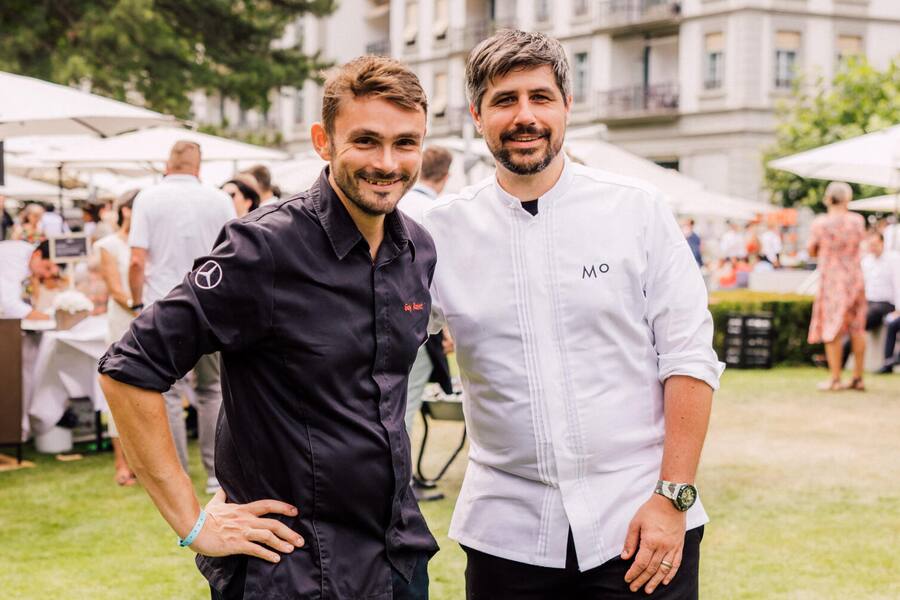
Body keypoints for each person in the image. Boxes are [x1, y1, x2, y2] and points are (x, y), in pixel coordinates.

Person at [98, 56, 438, 600]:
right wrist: (192, 522)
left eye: (405, 143)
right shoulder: (264, 247)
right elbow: (128, 369)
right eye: (366, 140)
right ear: (322, 141)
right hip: (294, 569)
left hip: (397, 558)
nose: (387, 162)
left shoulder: (416, 247)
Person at [422, 30, 722, 598]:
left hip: (638, 521)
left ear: (567, 106)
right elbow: (380, 346)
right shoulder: (440, 234)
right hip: (506, 532)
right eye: (504, 100)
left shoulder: (636, 210)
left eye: (540, 97)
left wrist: (673, 496)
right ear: (476, 116)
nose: (524, 116)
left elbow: (688, 360)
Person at [127, 140, 236, 494]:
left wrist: (134, 301)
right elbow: (234, 256)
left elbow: (136, 260)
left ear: (167, 163)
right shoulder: (220, 199)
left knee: (168, 393)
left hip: (163, 306)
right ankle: (216, 474)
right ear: (198, 166)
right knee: (214, 390)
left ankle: (177, 473)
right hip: (214, 306)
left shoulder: (148, 197)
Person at [397, 145, 455, 503]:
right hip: (416, 326)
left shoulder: (397, 204)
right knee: (405, 406)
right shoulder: (435, 212)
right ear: (445, 177)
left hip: (384, 322)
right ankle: (399, 484)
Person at [94, 190, 139, 486]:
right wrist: (141, 309)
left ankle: (144, 461)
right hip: (124, 319)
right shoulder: (108, 245)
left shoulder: (143, 244)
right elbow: (115, 287)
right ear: (125, 211)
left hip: (146, 317)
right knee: (120, 386)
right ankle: (121, 463)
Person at [807, 182, 867, 391]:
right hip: (855, 278)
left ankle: (835, 378)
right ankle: (858, 377)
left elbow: (812, 249)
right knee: (857, 328)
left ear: (827, 198)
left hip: (833, 279)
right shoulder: (857, 221)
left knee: (832, 328)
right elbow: (861, 243)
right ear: (847, 199)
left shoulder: (821, 223)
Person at [851, 231, 900, 374]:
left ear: (882, 243)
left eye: (874, 244)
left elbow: (898, 284)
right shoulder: (866, 261)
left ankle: (889, 362)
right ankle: (837, 358)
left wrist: (898, 308)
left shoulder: (893, 259)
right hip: (869, 302)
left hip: (884, 304)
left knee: (860, 323)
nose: (872, 247)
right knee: (854, 321)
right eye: (870, 244)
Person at [0, 239, 56, 320]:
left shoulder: (27, 253)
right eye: (47, 268)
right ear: (37, 254)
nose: (47, 275)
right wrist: (48, 318)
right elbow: (10, 305)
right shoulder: (16, 261)